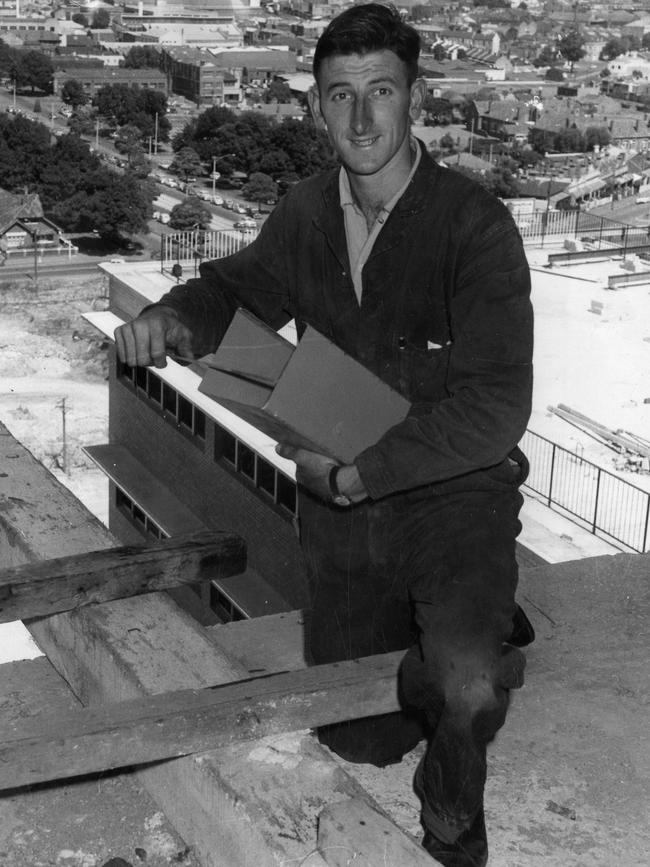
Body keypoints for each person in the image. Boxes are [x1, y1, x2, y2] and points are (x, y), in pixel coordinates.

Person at [115, 5, 534, 865]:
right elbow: (233, 290)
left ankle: (456, 797)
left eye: (381, 91)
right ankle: (475, 628)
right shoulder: (306, 212)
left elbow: (494, 409)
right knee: (360, 740)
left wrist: (355, 476)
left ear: (416, 98)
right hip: (349, 520)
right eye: (340, 95)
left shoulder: (473, 225)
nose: (362, 118)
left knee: (463, 684)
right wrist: (169, 317)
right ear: (315, 107)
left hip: (452, 495)